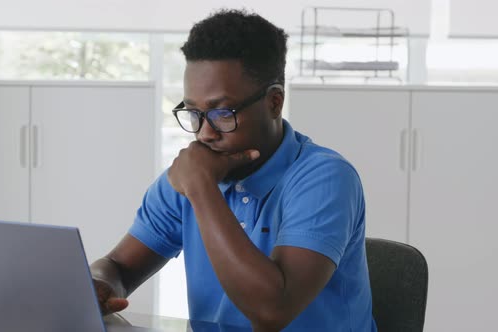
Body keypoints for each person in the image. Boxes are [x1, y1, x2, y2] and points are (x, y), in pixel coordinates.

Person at [90, 9, 377, 332]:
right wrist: (99, 284)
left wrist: (201, 189)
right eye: (194, 113)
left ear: (274, 102)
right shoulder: (192, 175)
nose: (204, 133)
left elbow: (272, 311)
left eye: (222, 113)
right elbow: (119, 266)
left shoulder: (325, 178)